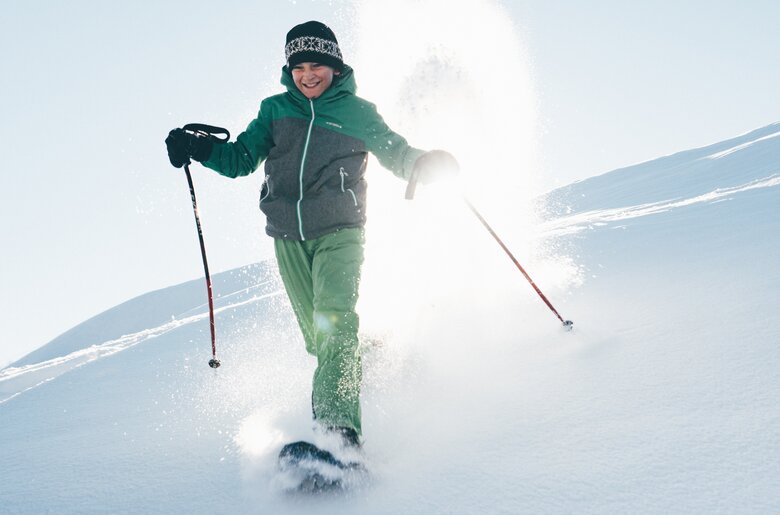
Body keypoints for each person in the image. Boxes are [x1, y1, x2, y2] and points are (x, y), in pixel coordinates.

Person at [166, 21, 458, 450]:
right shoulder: (275, 110)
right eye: (298, 66)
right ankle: (368, 361)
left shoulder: (359, 113)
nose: (308, 74)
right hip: (287, 236)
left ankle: (339, 437)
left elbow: (395, 152)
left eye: (317, 64)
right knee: (319, 339)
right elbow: (241, 159)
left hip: (341, 232)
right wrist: (199, 149)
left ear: (335, 67)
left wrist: (423, 163)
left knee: (335, 324)